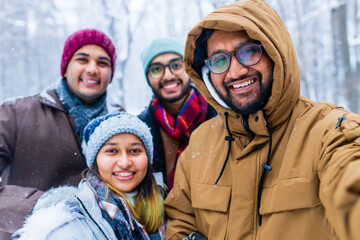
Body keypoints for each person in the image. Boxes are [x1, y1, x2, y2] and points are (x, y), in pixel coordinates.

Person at [164, 1, 360, 240]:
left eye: (248, 52)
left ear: (275, 53)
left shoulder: (332, 131)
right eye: (219, 61)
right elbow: (180, 223)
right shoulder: (201, 143)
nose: (235, 72)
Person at [0, 28, 119, 238]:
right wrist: (41, 205)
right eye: (82, 59)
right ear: (65, 68)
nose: (92, 69)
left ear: (110, 75)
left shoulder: (120, 122)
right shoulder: (16, 114)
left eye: (102, 63)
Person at [12, 112, 165, 240]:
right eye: (112, 151)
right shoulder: (70, 225)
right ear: (95, 162)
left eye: (134, 151)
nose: (125, 162)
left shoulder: (165, 208)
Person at [138, 37, 217, 193]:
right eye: (156, 69)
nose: (167, 76)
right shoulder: (140, 128)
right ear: (148, 77)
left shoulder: (220, 117)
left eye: (176, 65)